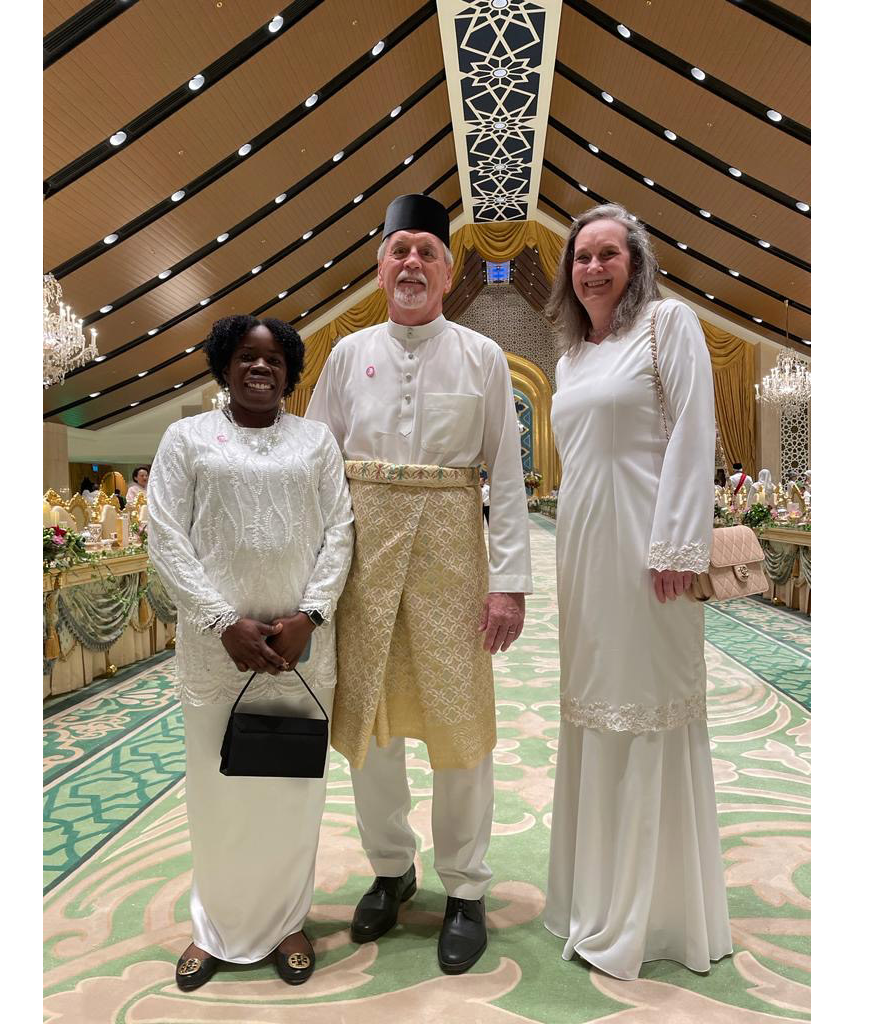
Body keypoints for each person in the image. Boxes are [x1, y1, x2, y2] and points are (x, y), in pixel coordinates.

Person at [305, 193, 532, 975]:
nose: (410, 263)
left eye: (425, 253)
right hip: (364, 559)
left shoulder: (482, 356)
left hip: (450, 556)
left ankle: (465, 888)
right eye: (398, 250)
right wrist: (314, 581)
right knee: (370, 726)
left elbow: (505, 471)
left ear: (447, 270)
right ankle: (391, 870)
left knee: (458, 727)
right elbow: (317, 467)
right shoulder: (346, 355)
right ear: (380, 268)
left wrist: (510, 584)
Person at [542, 202, 731, 979]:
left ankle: (650, 915)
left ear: (635, 261)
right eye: (581, 256)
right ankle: (594, 897)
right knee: (594, 712)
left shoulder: (669, 324)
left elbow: (695, 431)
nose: (593, 266)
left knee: (648, 710)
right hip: (583, 559)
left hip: (651, 558)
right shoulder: (568, 360)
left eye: (607, 253)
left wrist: (678, 544)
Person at [147, 314, 353, 990]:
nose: (260, 368)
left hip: (300, 654)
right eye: (246, 357)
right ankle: (217, 929)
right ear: (224, 366)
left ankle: (289, 921)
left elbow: (340, 533)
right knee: (218, 792)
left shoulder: (317, 441)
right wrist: (221, 621)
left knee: (290, 792)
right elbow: (166, 537)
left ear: (291, 372)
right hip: (218, 657)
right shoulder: (186, 439)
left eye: (273, 359)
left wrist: (311, 616)